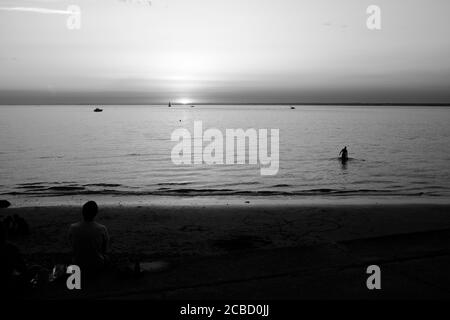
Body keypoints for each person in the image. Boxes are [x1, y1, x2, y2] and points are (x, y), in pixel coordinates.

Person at [68, 201, 110, 273]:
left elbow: (72, 246)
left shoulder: (73, 227)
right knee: (107, 258)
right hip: (97, 264)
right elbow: (104, 249)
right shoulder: (102, 228)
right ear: (96, 213)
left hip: (78, 264)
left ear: (83, 212)